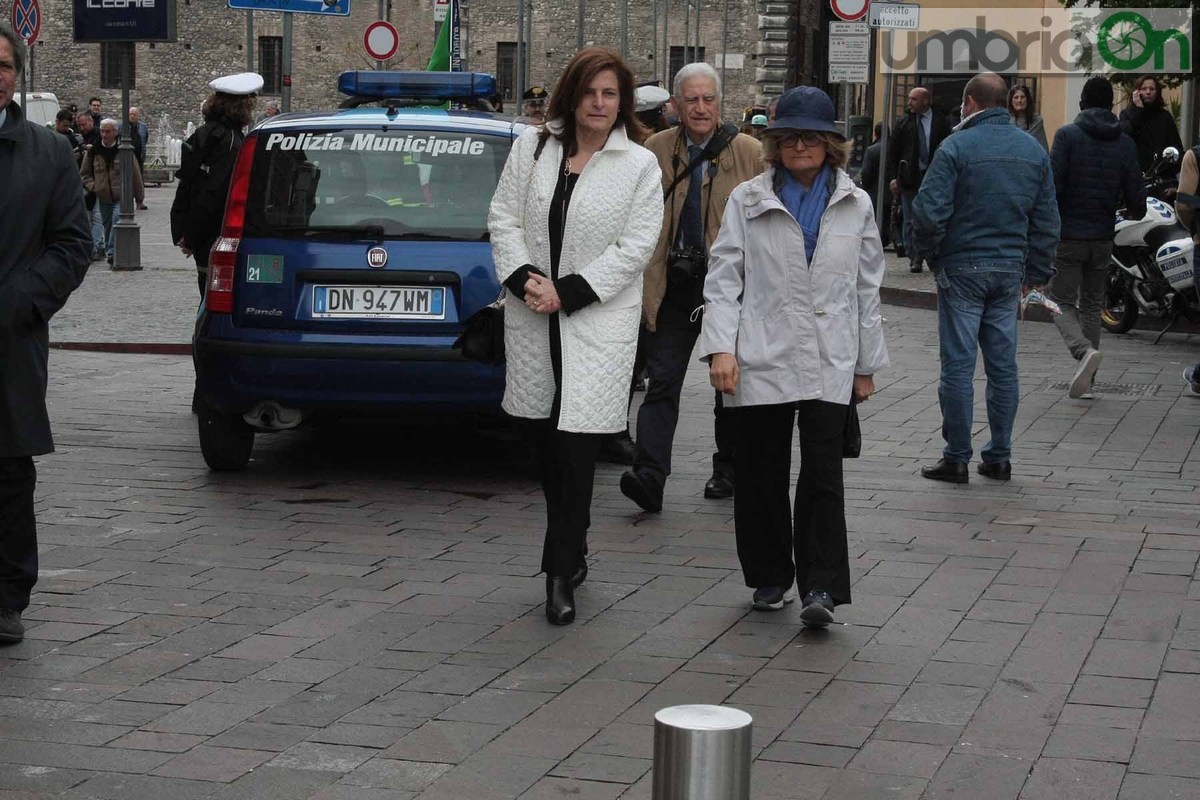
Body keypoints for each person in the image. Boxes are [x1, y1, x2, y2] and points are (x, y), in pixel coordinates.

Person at [700, 86, 888, 626]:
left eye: (811, 137)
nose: (799, 146)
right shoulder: (749, 199)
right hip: (762, 349)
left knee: (823, 474)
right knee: (760, 470)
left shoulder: (855, 202)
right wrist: (720, 349)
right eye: (788, 138)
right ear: (774, 144)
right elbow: (724, 279)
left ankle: (822, 589)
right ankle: (769, 576)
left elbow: (866, 287)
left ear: (831, 144)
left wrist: (866, 365)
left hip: (832, 352)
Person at [488, 48, 663, 625]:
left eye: (610, 94)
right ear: (572, 93)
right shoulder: (532, 148)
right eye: (590, 91)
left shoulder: (638, 165)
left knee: (578, 446)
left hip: (596, 322)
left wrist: (571, 291)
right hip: (534, 314)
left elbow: (635, 248)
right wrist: (525, 281)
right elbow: (504, 219)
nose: (599, 103)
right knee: (544, 442)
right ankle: (576, 541)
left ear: (623, 102)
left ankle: (558, 570)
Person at [619, 62, 762, 513]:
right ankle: (650, 476)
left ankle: (729, 469)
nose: (701, 108)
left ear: (719, 102)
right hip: (673, 285)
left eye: (709, 99)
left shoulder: (751, 153)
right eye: (691, 100)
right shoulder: (653, 150)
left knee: (730, 384)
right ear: (675, 105)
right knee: (661, 381)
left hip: (731, 288)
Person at [911, 72, 1060, 484]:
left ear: (971, 103)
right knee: (1003, 367)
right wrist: (1037, 273)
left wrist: (928, 253)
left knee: (958, 367)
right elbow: (1048, 220)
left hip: (962, 267)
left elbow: (928, 211)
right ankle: (999, 456)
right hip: (1010, 270)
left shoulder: (954, 147)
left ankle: (956, 456)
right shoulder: (1032, 150)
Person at [0, 24, 93, 643]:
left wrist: (18, 301)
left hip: (8, 338)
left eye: (3, 63)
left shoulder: (47, 152)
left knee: (7, 470)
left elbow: (72, 245)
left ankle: (6, 596)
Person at [1048, 77, 1144, 400]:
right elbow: (1137, 200)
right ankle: (1087, 381)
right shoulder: (1125, 142)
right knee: (1091, 305)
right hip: (1103, 236)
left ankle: (1081, 353)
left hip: (1068, 234)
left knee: (1058, 300)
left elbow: (1052, 188)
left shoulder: (1066, 136)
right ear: (1110, 104)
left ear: (1082, 104)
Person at [171, 72, 261, 297]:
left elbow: (188, 183)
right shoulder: (229, 141)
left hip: (202, 231)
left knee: (207, 288)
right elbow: (211, 193)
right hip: (215, 232)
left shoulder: (205, 133)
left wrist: (185, 231)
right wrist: (192, 236)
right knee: (215, 296)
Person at [887, 86, 950, 273]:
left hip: (933, 176)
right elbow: (893, 152)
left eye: (914, 99)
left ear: (926, 101)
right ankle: (915, 256)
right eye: (909, 99)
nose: (909, 103)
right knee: (911, 218)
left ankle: (932, 253)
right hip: (909, 177)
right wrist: (893, 178)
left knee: (933, 216)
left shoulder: (940, 122)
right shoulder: (904, 122)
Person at [81, 118, 145, 267]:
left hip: (121, 195)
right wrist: (94, 186)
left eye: (108, 131)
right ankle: (113, 250)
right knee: (108, 226)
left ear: (115, 132)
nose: (104, 134)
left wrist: (139, 197)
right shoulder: (94, 151)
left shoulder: (124, 150)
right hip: (103, 195)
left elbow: (135, 174)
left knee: (118, 219)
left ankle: (111, 253)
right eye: (102, 131)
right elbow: (84, 174)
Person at [1119, 75, 1182, 175]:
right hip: (1134, 177)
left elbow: (1176, 148)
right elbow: (1127, 134)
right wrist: (1139, 110)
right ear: (1137, 92)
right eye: (1144, 89)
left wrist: (1172, 182)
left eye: (1152, 89)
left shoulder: (1164, 117)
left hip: (1161, 178)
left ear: (1157, 92)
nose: (1148, 92)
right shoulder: (1126, 115)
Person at [74, 110, 105, 262]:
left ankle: (95, 247)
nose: (81, 128)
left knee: (98, 217)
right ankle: (95, 246)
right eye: (79, 125)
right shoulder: (77, 138)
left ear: (91, 122)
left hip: (98, 181)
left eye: (84, 125)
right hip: (84, 181)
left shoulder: (99, 136)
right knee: (87, 216)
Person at [1008, 84, 1047, 151]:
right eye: (1016, 97)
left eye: (1022, 97)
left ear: (1027, 99)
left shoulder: (1037, 121)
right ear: (1011, 101)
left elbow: (1042, 148)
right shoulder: (1006, 121)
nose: (1019, 100)